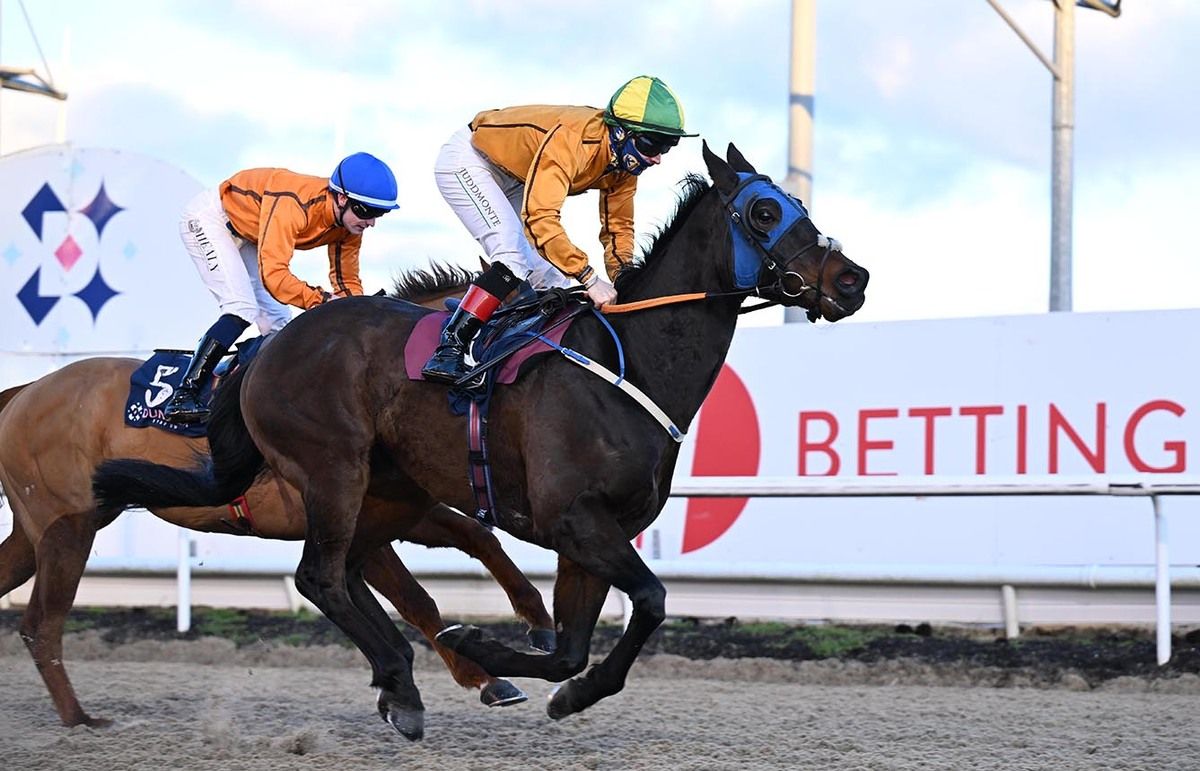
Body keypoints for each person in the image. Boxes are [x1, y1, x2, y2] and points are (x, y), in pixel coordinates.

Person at [421, 75, 697, 385]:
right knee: (512, 256)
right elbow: (541, 219)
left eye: (667, 147)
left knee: (556, 281)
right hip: (470, 161)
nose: (658, 157)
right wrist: (590, 278)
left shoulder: (623, 168)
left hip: (518, 177)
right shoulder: (573, 141)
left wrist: (626, 282)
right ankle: (450, 348)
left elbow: (618, 230)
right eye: (652, 144)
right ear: (620, 132)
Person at [162, 152, 400, 422]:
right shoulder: (294, 205)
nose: (371, 222)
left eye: (379, 213)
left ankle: (242, 391)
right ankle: (184, 395)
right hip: (212, 220)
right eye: (366, 211)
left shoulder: (350, 225)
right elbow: (274, 275)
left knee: (279, 324)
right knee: (241, 308)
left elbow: (346, 282)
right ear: (342, 198)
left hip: (251, 233)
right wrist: (321, 301)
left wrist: (358, 311)